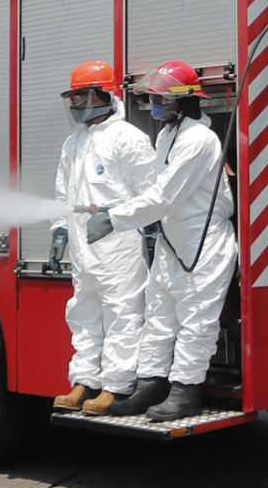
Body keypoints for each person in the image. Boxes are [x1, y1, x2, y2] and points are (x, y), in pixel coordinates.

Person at [96, 61, 237, 421]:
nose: (156, 104)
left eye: (162, 98)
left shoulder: (201, 141)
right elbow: (157, 192)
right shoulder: (167, 135)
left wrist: (115, 219)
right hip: (173, 241)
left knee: (195, 321)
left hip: (204, 245)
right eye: (154, 97)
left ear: (187, 101)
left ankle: (185, 393)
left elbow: (163, 196)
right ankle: (151, 386)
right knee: (159, 314)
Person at [53, 61, 158, 412]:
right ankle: (84, 380)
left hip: (118, 242)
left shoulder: (128, 138)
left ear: (105, 95)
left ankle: (116, 385)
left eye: (83, 96)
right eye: (74, 97)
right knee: (83, 310)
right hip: (84, 241)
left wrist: (122, 221)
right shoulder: (73, 143)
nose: (77, 105)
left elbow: (151, 194)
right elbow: (61, 194)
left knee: (122, 312)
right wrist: (60, 230)